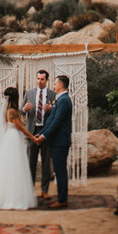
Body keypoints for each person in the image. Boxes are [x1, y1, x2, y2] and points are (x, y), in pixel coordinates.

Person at [36, 75, 73, 209]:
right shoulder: (60, 99)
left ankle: (62, 199)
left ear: (61, 85)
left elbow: (57, 121)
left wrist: (44, 136)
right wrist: (41, 134)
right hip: (56, 141)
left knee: (60, 171)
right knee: (58, 170)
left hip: (60, 142)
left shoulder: (64, 100)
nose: (53, 86)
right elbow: (51, 119)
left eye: (55, 84)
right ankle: (60, 197)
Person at [22, 69, 55, 199]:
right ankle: (29, 190)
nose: (39, 81)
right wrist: (24, 109)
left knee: (46, 162)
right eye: (38, 79)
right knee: (31, 162)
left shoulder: (52, 94)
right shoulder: (29, 93)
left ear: (47, 80)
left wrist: (51, 110)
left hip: (46, 131)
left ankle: (45, 190)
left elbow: (57, 112)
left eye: (42, 79)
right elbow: (21, 109)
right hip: (32, 131)